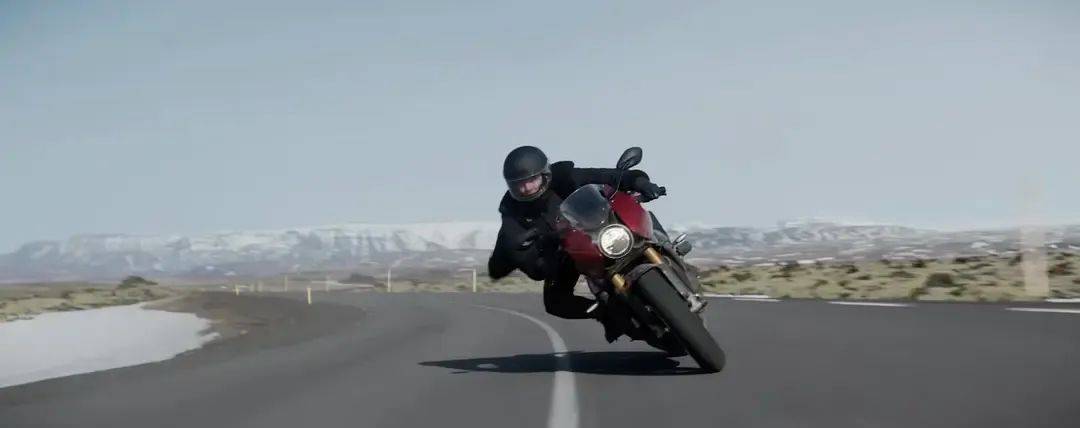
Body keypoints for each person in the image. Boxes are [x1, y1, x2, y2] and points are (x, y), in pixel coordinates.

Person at [487, 146, 666, 342]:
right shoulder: (512, 210)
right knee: (555, 303)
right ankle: (606, 315)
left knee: (638, 213)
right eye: (519, 184)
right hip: (569, 253)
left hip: (603, 229)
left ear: (544, 174)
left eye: (531, 180)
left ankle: (667, 247)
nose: (526, 188)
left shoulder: (564, 176)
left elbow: (605, 176)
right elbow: (514, 249)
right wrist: (535, 260)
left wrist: (640, 182)